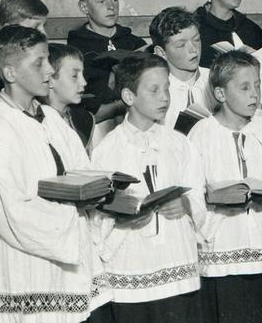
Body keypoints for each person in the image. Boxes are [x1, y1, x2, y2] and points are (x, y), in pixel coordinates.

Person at [0, 25, 112, 323]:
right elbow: (11, 211)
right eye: (39, 63)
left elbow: (82, 170)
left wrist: (99, 190)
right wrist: (72, 212)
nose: (48, 70)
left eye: (48, 61)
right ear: (11, 73)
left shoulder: (51, 119)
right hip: (23, 264)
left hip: (61, 258)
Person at [88, 53, 207, 322]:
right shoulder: (107, 150)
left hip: (177, 261)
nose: (165, 97)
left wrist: (186, 204)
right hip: (132, 263)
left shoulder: (180, 144)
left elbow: (197, 194)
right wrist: (122, 215)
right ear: (129, 97)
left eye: (166, 88)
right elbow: (96, 215)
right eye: (154, 90)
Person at [187, 51, 262, 323]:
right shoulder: (202, 133)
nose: (254, 94)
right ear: (220, 94)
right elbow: (192, 193)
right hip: (223, 249)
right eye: (244, 87)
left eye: (257, 85)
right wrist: (213, 197)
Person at [68, 0, 147, 125]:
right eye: (101, 1)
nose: (111, 7)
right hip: (96, 128)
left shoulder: (134, 43)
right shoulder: (75, 50)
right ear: (84, 7)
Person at [149, 6, 215, 128]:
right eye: (181, 45)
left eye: (196, 40)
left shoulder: (216, 80)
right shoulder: (154, 94)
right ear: (161, 53)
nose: (193, 49)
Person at [43, 43, 97, 150]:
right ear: (49, 80)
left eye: (83, 75)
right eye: (74, 76)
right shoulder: (38, 123)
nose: (84, 82)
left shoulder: (84, 118)